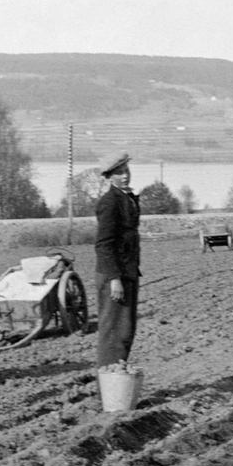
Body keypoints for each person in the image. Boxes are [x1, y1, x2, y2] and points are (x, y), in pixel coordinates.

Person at [94, 153, 141, 369]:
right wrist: (114, 279)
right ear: (109, 177)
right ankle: (108, 391)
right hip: (114, 275)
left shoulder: (127, 198)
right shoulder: (110, 202)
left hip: (127, 271)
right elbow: (104, 244)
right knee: (113, 333)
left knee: (125, 330)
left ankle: (117, 385)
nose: (125, 176)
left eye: (126, 171)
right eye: (119, 173)